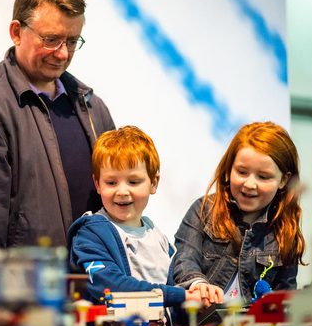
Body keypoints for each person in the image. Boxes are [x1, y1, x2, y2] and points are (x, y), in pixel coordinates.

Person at [0, 0, 115, 249]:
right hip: (24, 290)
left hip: (97, 289)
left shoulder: (94, 108)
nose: (62, 54)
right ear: (16, 32)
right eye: (51, 40)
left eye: (72, 41)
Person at [67, 126, 209, 312]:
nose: (122, 191)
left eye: (133, 182)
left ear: (154, 182)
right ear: (97, 184)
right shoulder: (89, 235)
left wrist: (196, 288)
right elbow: (113, 287)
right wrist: (181, 296)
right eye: (111, 182)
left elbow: (176, 282)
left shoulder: (157, 236)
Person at [170, 121, 306, 306]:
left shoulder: (285, 230)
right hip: (198, 325)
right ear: (228, 171)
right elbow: (184, 259)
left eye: (263, 177)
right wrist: (198, 283)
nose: (250, 184)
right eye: (242, 172)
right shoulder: (203, 210)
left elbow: (286, 295)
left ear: (283, 180)